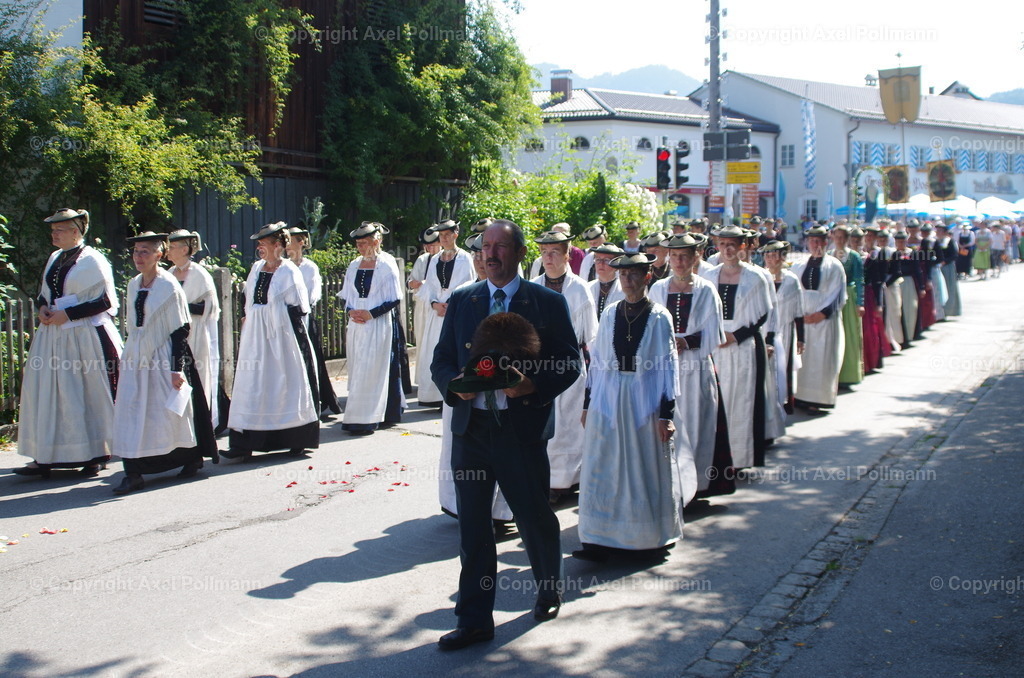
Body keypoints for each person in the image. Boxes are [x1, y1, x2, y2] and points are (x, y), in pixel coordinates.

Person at [431, 220, 581, 650]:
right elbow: (440, 360)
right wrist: (453, 383)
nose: (490, 254)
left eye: (500, 247)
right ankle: (475, 618)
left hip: (521, 429)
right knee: (474, 529)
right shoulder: (463, 300)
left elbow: (569, 362)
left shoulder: (547, 303)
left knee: (534, 516)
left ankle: (548, 587)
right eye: (485, 247)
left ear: (518, 253)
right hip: (472, 429)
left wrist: (533, 385)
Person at [576, 252, 679, 563]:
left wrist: (666, 414)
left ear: (647, 277)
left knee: (639, 467)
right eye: (624, 275)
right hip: (608, 401)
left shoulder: (660, 316)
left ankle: (644, 538)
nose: (628, 280)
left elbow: (667, 367)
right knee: (604, 466)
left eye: (635, 274)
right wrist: (587, 403)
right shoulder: (610, 313)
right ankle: (599, 538)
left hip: (643, 402)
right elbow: (596, 362)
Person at [14, 208, 123, 478]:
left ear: (76, 231)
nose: (54, 234)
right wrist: (43, 309)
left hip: (83, 335)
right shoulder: (55, 258)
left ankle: (93, 454)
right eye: (53, 230)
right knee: (50, 392)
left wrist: (69, 314)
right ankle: (47, 455)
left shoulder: (93, 260)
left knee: (83, 393)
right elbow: (45, 293)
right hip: (54, 335)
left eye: (59, 230)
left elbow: (106, 301)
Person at [111, 232, 217, 494]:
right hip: (137, 356)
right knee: (134, 410)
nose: (139, 257)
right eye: (136, 252)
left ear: (159, 254)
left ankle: (188, 457)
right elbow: (135, 324)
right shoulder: (134, 284)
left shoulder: (168, 285)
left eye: (145, 251)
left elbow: (180, 329)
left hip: (162, 357)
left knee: (166, 413)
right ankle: (133, 469)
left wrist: (175, 368)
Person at [650, 234, 734, 502]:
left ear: (696, 256)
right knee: (665, 424)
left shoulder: (706, 290)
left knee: (696, 423)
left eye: (684, 255)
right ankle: (668, 483)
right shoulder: (658, 289)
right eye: (674, 256)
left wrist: (685, 341)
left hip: (695, 367)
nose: (679, 261)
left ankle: (695, 486)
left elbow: (714, 332)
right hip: (663, 367)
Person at [224, 222, 319, 459]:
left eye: (263, 244)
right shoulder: (256, 268)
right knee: (253, 384)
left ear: (278, 245)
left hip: (282, 337)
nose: (259, 248)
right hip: (256, 338)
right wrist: (252, 319)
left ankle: (295, 437)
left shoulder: (289, 271)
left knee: (286, 383)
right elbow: (249, 300)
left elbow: (298, 308)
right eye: (258, 245)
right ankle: (243, 443)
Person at [436, 233, 513, 525]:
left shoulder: (514, 295)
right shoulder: (463, 296)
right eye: (477, 255)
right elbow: (443, 353)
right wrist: (454, 383)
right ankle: (460, 505)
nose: (483, 261)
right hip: (467, 399)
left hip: (505, 400)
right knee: (462, 455)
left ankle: (502, 513)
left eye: (488, 254)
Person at [532, 231, 597, 503]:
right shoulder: (532, 286)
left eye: (555, 252)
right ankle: (543, 478)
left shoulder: (580, 288)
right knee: (542, 424)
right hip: (538, 366)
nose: (548, 257)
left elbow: (590, 336)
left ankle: (565, 482)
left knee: (568, 425)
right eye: (544, 252)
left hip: (568, 366)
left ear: (567, 254)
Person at [704, 225, 773, 468]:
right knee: (716, 400)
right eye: (723, 244)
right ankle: (716, 458)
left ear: (743, 246)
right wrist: (714, 335)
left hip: (743, 347)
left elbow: (763, 314)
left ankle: (741, 458)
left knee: (743, 400)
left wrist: (735, 336)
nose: (728, 249)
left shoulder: (756, 278)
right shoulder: (709, 276)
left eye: (733, 244)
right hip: (715, 347)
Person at [335, 222, 406, 434]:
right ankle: (358, 414)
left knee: (376, 368)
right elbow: (347, 294)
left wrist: (371, 313)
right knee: (359, 368)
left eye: (364, 243)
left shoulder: (386, 263)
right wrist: (351, 311)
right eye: (358, 243)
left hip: (378, 324)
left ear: (376, 241)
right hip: (357, 325)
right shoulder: (354, 264)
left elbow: (395, 298)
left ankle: (370, 417)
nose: (360, 247)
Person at [166, 229, 222, 431]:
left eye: (172, 247)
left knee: (196, 377)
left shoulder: (199, 274)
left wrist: (183, 308)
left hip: (195, 333)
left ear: (184, 249)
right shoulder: (169, 274)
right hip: (173, 334)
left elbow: (210, 308)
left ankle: (199, 425)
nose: (168, 251)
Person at [416, 219, 474, 408]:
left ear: (456, 234)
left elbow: (469, 282)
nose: (445, 238)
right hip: (437, 312)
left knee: (453, 348)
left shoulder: (465, 257)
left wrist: (451, 302)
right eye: (441, 235)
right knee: (435, 348)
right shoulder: (434, 259)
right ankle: (433, 393)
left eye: (448, 234)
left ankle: (452, 389)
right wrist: (434, 303)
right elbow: (430, 285)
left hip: (455, 311)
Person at [285, 225, 342, 416]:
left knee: (310, 360)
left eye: (291, 241)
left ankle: (314, 400)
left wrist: (297, 308)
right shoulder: (282, 266)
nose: (287, 246)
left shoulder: (309, 268)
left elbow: (312, 295)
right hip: (282, 321)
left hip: (302, 319)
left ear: (301, 242)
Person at [792, 226, 847, 414]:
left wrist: (821, 314)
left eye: (819, 241)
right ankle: (800, 396)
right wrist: (799, 315)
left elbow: (839, 294)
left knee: (821, 360)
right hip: (803, 319)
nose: (815, 244)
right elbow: (792, 290)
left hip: (824, 321)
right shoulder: (798, 265)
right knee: (804, 360)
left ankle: (818, 399)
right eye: (812, 240)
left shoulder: (834, 265)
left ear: (826, 242)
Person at [761, 240, 804, 414]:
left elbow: (798, 310)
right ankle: (767, 402)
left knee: (782, 366)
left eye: (775, 255)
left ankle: (784, 402)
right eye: (768, 255)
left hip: (785, 330)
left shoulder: (791, 280)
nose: (771, 259)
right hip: (765, 331)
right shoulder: (761, 277)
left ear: (783, 257)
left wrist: (801, 337)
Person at [829, 226, 864, 389]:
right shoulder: (829, 256)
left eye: (843, 237)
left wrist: (860, 303)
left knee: (849, 334)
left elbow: (859, 280)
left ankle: (849, 374)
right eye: (837, 237)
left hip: (849, 297)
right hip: (832, 297)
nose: (840, 240)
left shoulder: (854, 256)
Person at [409, 227, 442, 350]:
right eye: (427, 245)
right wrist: (412, 283)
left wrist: (426, 283)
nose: (429, 248)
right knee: (421, 339)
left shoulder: (444, 259)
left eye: (432, 245)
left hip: (436, 305)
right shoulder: (422, 259)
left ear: (440, 243)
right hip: (422, 305)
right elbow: (411, 279)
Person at [587, 243, 626, 320]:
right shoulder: (587, 287)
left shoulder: (624, 289)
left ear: (616, 266)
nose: (601, 264)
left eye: (606, 260)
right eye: (598, 259)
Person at [935, 224, 962, 317]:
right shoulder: (935, 241)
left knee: (949, 287)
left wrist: (944, 262)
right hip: (937, 267)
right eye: (937, 230)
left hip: (948, 267)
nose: (938, 232)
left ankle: (950, 310)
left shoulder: (949, 241)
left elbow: (954, 255)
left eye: (940, 230)